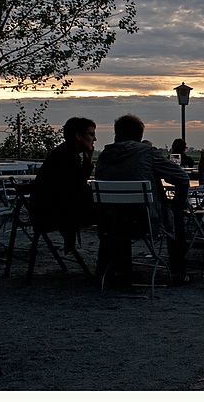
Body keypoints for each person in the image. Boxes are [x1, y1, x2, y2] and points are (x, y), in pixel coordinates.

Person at [94, 114, 192, 287]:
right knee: (175, 216)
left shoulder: (104, 155)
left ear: (116, 135)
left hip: (110, 222)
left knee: (123, 210)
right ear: (140, 137)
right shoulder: (147, 153)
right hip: (145, 221)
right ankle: (178, 272)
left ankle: (115, 271)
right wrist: (177, 205)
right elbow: (182, 179)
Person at [28, 117, 97, 254]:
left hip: (46, 212)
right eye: (91, 134)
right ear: (79, 136)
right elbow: (76, 190)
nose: (94, 139)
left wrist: (87, 164)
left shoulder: (64, 153)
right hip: (52, 215)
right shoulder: (68, 157)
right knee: (111, 215)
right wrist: (87, 165)